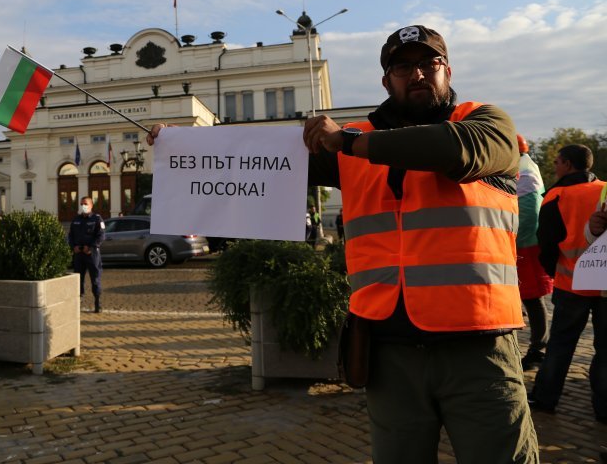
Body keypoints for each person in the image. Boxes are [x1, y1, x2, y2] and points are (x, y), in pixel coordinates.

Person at [147, 25, 538, 462]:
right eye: (403, 67)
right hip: (388, 352)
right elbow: (262, 161)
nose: (418, 74)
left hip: (478, 348)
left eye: (429, 64)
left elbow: (455, 150)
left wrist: (349, 141)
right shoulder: (353, 139)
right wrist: (182, 143)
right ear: (386, 80)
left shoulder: (485, 124)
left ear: (447, 69)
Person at [530, 144, 607, 422]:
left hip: (570, 282)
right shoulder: (605, 189)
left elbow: (547, 243)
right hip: (605, 284)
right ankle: (604, 408)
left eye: (557, 162)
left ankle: (546, 399)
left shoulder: (557, 195)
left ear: (568, 164)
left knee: (561, 345)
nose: (556, 167)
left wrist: (554, 271)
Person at [515, 134, 553, 371]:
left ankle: (538, 348)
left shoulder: (523, 169)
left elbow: (528, 212)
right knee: (529, 296)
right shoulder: (527, 166)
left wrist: (511, 239)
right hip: (525, 242)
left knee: (532, 296)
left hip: (524, 244)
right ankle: (537, 346)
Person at [68, 196, 105, 313]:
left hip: (92, 254)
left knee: (95, 278)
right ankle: (78, 301)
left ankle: (97, 302)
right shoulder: (76, 220)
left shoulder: (97, 219)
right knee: (78, 279)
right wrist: (73, 246)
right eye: (81, 204)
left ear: (91, 205)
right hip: (79, 255)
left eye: (85, 204)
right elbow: (70, 236)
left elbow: (101, 235)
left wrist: (91, 247)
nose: (83, 206)